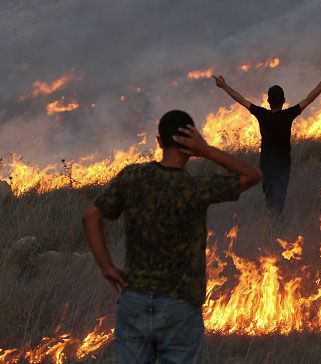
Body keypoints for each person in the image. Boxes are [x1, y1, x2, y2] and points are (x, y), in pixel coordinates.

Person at [82, 110, 261, 364]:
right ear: (191, 145)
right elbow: (253, 175)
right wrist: (207, 150)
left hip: (134, 300)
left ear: (159, 141)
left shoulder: (132, 177)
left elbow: (90, 216)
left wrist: (107, 268)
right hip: (179, 305)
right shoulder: (194, 188)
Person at [213, 67, 321, 214]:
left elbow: (241, 99)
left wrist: (224, 86)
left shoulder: (262, 114)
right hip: (283, 166)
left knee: (270, 200)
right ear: (283, 100)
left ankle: (274, 223)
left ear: (268, 101)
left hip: (266, 166)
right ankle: (276, 223)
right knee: (279, 200)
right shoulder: (288, 115)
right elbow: (309, 98)